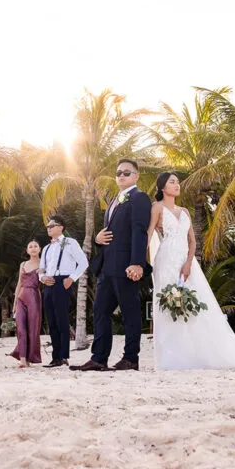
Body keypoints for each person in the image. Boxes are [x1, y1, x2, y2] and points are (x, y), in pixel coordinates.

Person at [146, 172, 235, 370]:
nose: (177, 185)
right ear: (162, 187)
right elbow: (148, 234)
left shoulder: (185, 211)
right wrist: (139, 260)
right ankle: (173, 355)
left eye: (178, 182)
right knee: (170, 304)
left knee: (194, 303)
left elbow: (192, 240)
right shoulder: (157, 208)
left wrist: (189, 262)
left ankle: (197, 352)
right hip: (166, 260)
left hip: (186, 261)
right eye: (172, 182)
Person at [71, 159, 150, 372]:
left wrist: (137, 263)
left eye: (126, 172)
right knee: (100, 311)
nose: (121, 176)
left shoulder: (140, 198)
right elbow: (111, 232)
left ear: (136, 176)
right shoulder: (115, 200)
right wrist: (97, 238)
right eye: (118, 173)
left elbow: (139, 231)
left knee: (130, 312)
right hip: (107, 266)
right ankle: (98, 359)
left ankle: (131, 358)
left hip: (126, 266)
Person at [39, 215, 87, 368]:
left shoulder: (70, 242)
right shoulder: (46, 248)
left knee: (61, 320)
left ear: (61, 227)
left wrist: (71, 278)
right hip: (49, 284)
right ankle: (56, 357)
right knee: (51, 321)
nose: (49, 228)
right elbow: (41, 268)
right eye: (47, 226)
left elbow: (83, 263)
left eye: (52, 225)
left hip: (63, 282)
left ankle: (64, 356)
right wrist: (42, 278)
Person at [9, 239, 43, 367]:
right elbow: (19, 283)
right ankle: (22, 359)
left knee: (32, 329)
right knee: (21, 329)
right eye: (30, 246)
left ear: (40, 249)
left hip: (34, 297)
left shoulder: (43, 264)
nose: (33, 248)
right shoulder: (22, 264)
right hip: (21, 298)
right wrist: (14, 303)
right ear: (27, 250)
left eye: (35, 246)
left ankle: (29, 359)